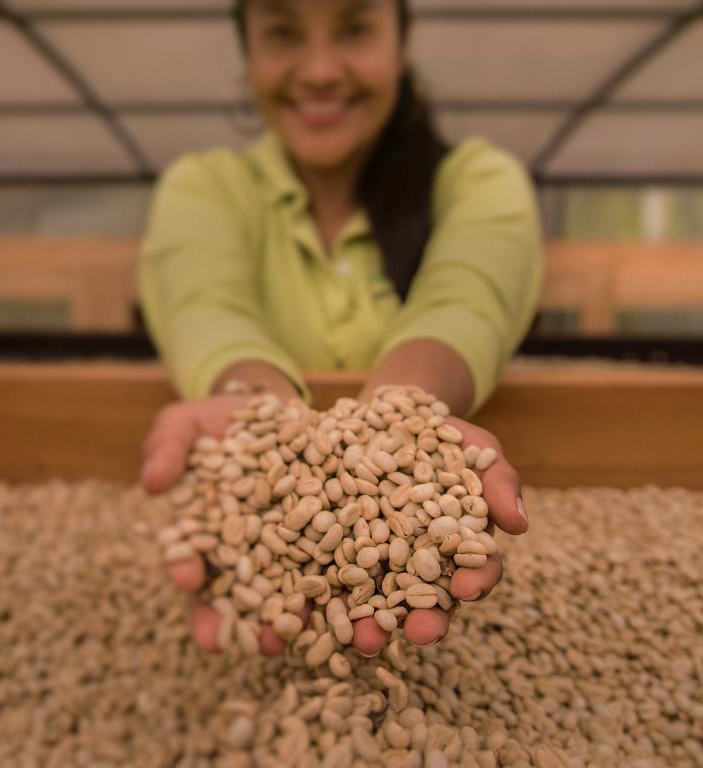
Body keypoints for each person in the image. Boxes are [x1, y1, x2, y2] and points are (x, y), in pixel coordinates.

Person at [138, 0, 544, 656]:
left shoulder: (477, 182)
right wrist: (253, 414)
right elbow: (205, 307)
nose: (321, 70)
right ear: (246, 55)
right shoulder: (204, 188)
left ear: (402, 44)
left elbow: (467, 299)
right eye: (282, 33)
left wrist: (405, 418)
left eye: (354, 29)